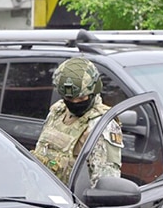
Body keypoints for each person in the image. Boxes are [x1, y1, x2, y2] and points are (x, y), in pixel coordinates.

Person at [32, 57, 123, 186]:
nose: (75, 103)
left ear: (94, 90)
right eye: (69, 98)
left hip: (71, 202)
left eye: (81, 98)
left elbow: (106, 182)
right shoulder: (58, 111)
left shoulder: (101, 125)